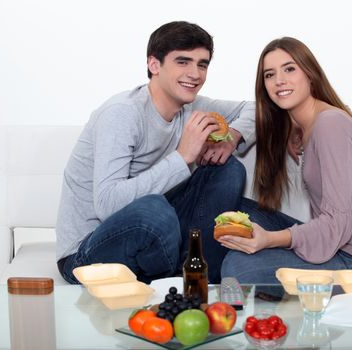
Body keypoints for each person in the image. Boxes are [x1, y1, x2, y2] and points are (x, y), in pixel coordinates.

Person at [56, 21, 255, 284]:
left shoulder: (193, 106)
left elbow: (256, 109)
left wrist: (232, 138)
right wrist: (182, 157)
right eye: (182, 62)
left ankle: (201, 276)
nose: (194, 74)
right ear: (154, 65)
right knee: (154, 209)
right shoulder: (122, 114)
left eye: (202, 64)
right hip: (87, 253)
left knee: (228, 169)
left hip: (159, 234)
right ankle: (174, 276)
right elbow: (106, 204)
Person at [219, 37, 352, 283]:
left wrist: (270, 239)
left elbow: (336, 223)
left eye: (289, 69)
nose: (279, 81)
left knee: (237, 267)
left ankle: (220, 287)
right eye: (269, 75)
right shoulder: (308, 124)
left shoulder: (330, 125)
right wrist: (291, 128)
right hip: (336, 245)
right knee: (236, 213)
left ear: (309, 74)